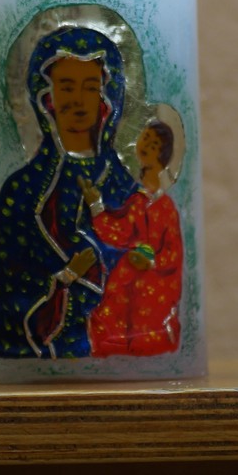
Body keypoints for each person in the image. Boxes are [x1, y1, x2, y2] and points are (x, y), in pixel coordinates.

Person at [0, 24, 140, 358]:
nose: (78, 101)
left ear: (106, 99)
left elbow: (144, 261)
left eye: (90, 87)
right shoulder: (22, 191)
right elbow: (6, 291)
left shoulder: (125, 188)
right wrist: (65, 278)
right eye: (66, 87)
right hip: (43, 351)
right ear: (47, 98)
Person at [86, 115, 184, 356]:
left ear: (163, 155)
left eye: (154, 144)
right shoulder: (137, 200)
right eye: (145, 139)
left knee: (145, 327)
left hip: (154, 283)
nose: (146, 146)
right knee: (110, 319)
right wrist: (96, 205)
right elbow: (121, 232)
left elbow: (173, 252)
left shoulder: (165, 206)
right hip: (129, 273)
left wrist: (151, 262)